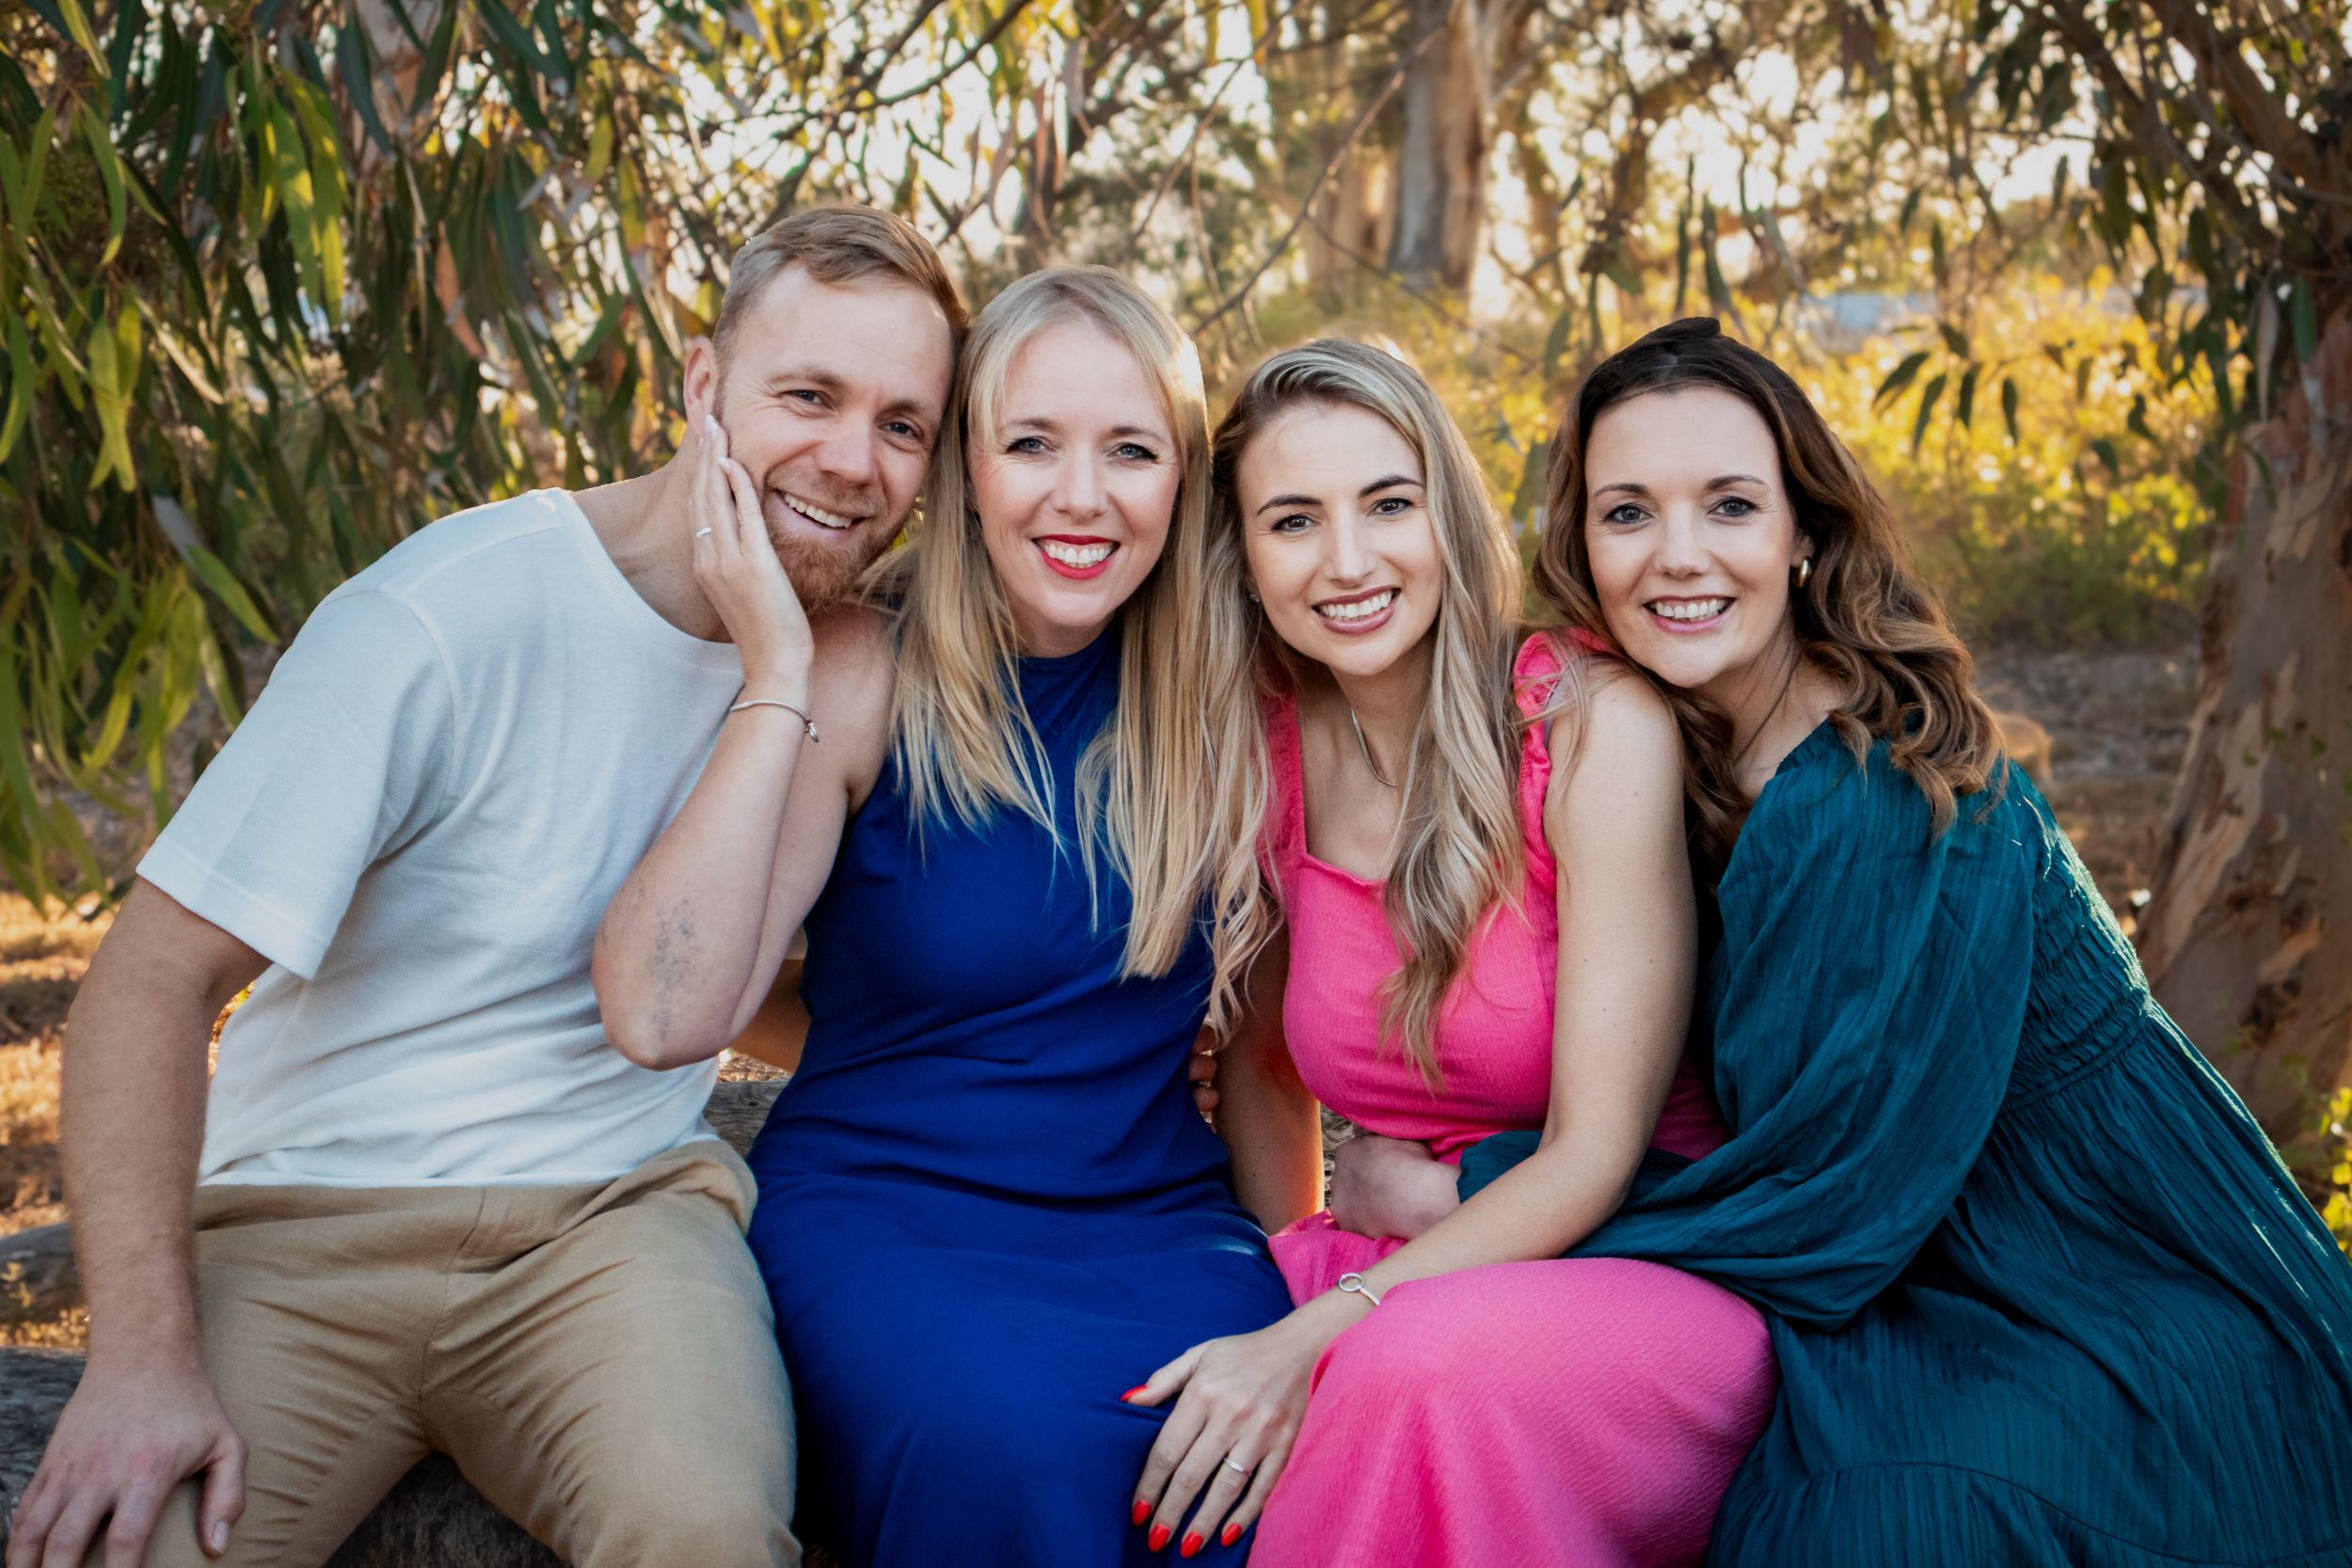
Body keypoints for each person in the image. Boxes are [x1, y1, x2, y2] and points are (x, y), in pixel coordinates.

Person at [4, 206, 963, 1568]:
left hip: (614, 1224)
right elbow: (148, 983)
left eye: (903, 425)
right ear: (703, 386)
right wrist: (138, 1362)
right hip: (302, 1227)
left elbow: (719, 983)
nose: (851, 460)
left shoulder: (841, 667)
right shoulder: (447, 614)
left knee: (705, 1534)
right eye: (808, 396)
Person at [1418, 315, 2352, 1564]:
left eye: (1731, 506)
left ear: (1804, 533)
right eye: (1628, 512)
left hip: (2097, 1270)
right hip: (1929, 1242)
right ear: (1581, 543)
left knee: (1875, 1517)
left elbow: (1822, 1199)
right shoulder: (1672, 743)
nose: (1678, 556)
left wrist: (1458, 1189)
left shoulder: (1871, 792)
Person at [591, 266, 1295, 1568]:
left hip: (1158, 1227)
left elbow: (1258, 1053)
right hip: (881, 1214)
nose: (1081, 496)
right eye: (1033, 443)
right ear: (968, 469)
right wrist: (777, 670)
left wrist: (1293, 1287)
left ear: (1182, 481)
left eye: (1130, 450)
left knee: (1253, 1445)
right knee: (1001, 1437)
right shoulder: (863, 671)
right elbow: (681, 996)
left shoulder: (1228, 710)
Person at [1117, 339, 1775, 1566]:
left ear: (1448, 517)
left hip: (1638, 1272)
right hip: (1385, 1265)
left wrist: (1328, 1327)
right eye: (1294, 520)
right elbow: (1265, 1075)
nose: (1350, 561)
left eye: (1388, 504)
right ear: (1243, 561)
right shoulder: (1266, 750)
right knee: (1140, 1391)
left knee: (1403, 1373)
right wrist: (1287, 1288)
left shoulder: (1587, 728)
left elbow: (1594, 1153)